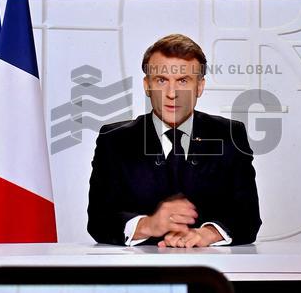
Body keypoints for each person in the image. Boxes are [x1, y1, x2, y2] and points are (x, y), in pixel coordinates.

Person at [87, 33, 261, 247]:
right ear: (147, 85)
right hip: (137, 272)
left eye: (183, 81)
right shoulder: (114, 140)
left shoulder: (231, 135)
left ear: (199, 87)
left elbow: (248, 216)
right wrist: (148, 225)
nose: (172, 93)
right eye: (161, 80)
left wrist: (207, 234)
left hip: (214, 271)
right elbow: (99, 220)